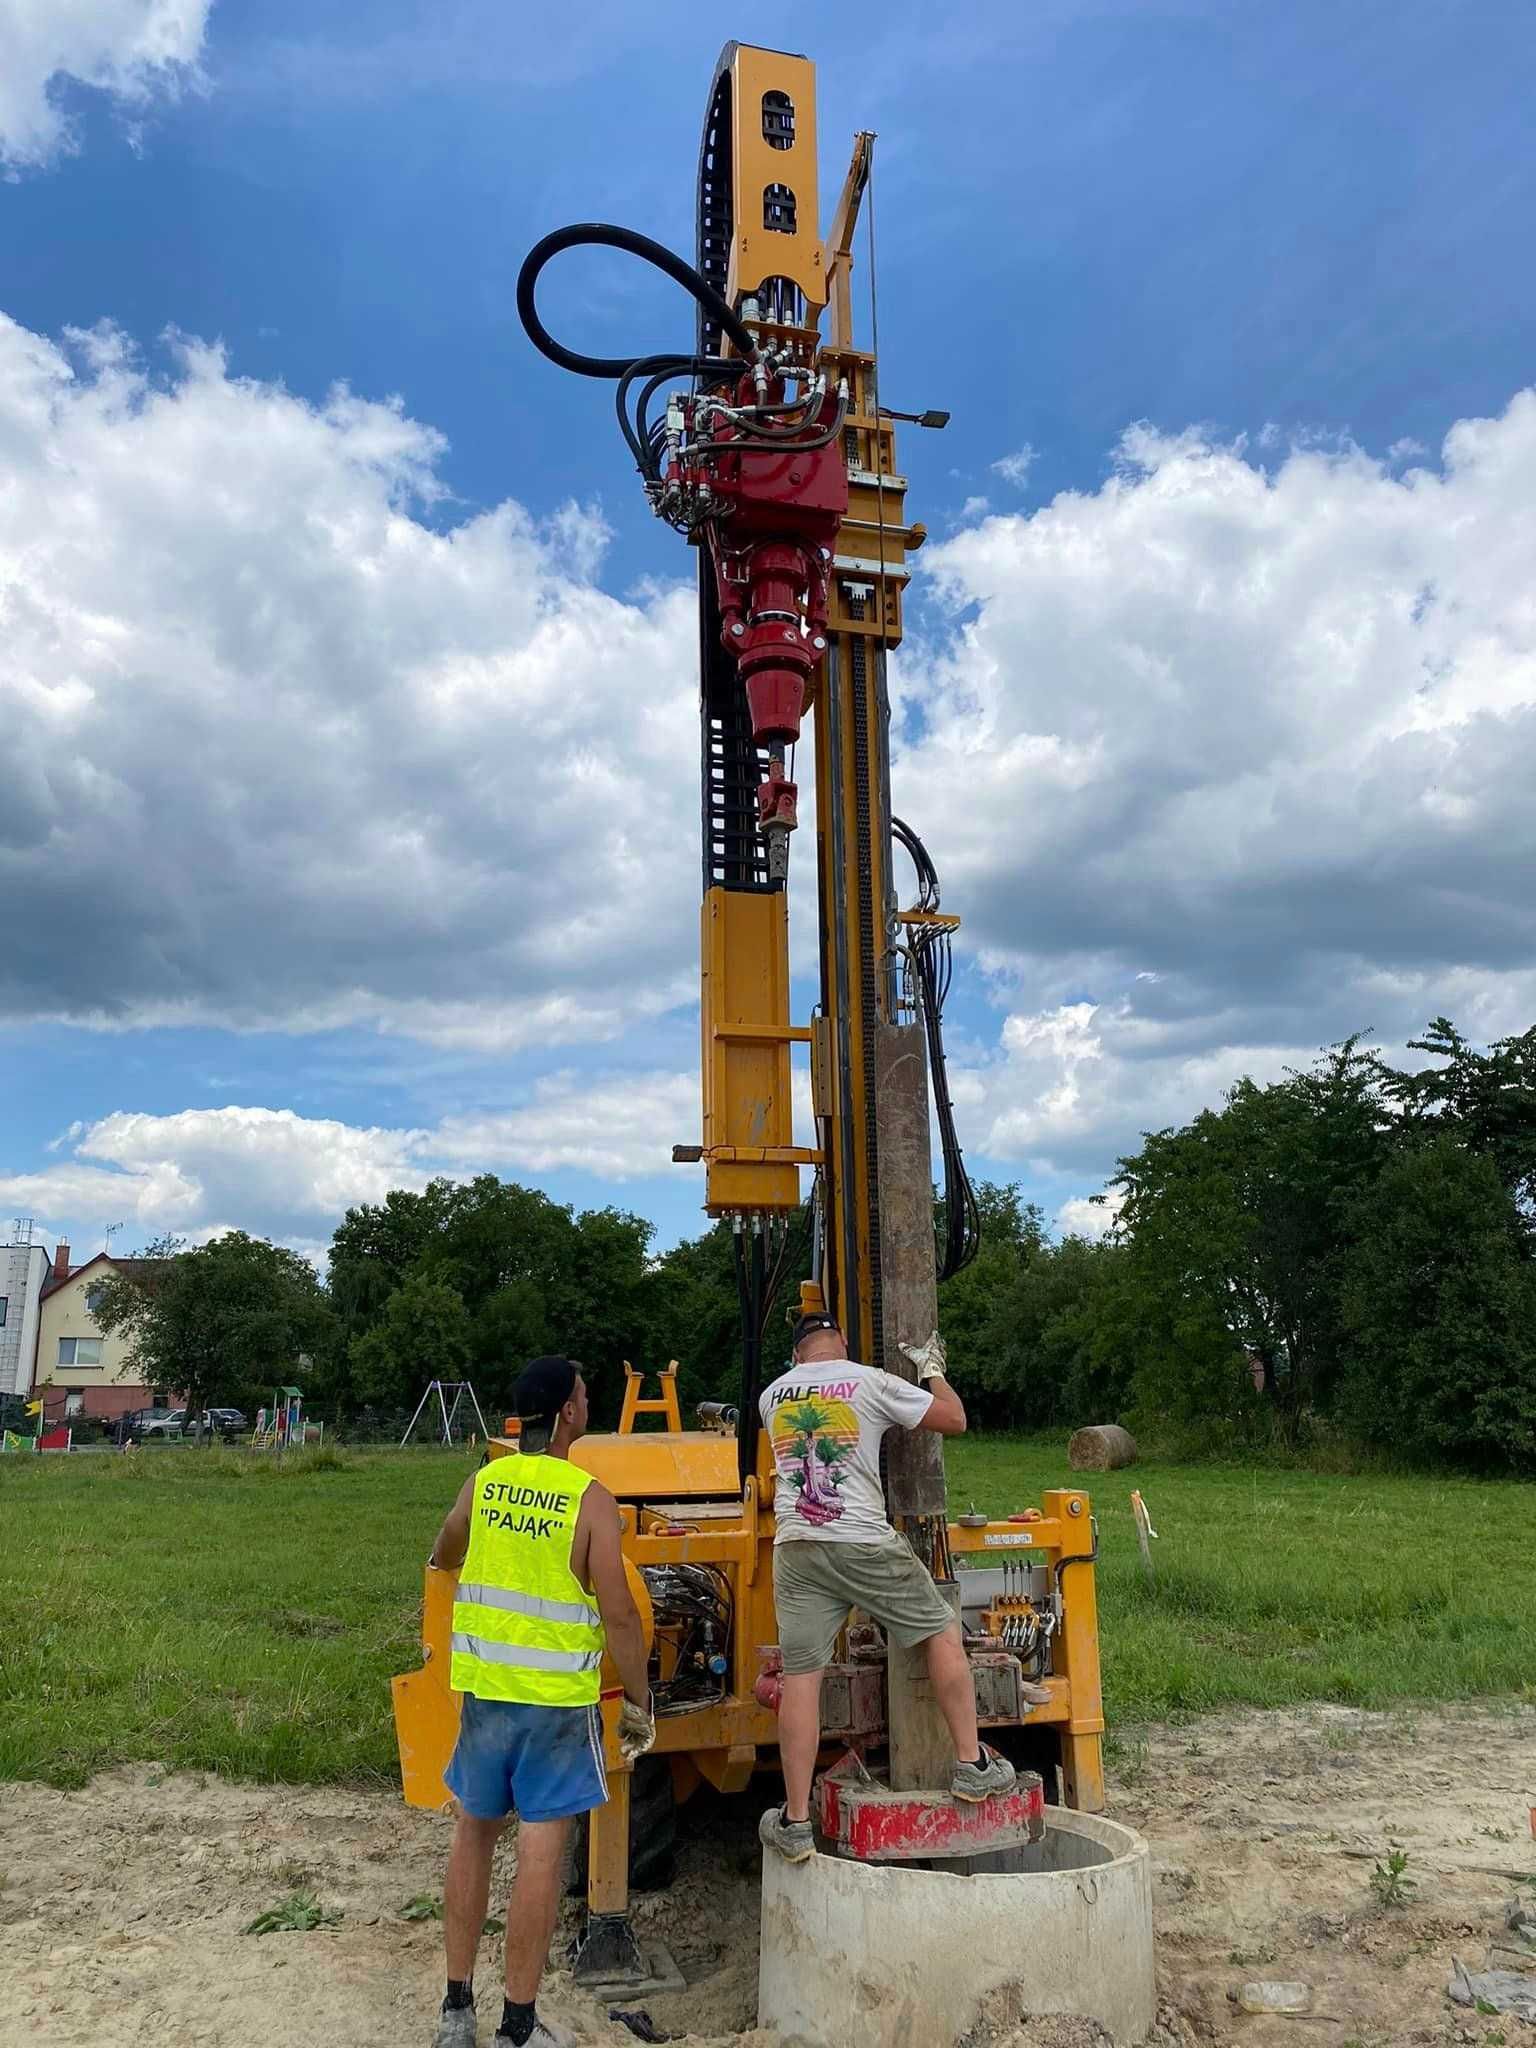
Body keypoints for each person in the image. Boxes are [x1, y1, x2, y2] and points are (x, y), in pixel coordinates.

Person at [427, 1357, 656, 2048]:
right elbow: (618, 1615)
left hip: (486, 1695)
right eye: (585, 1396)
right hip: (555, 1703)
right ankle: (518, 2027)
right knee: (540, 1852)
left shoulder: (485, 1481)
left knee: (472, 1832)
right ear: (565, 1414)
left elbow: (446, 1547)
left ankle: (456, 2012)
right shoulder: (589, 1498)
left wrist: (451, 1570)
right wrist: (641, 1700)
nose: (589, 1403)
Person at [757, 1312, 1016, 1862]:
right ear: (843, 1345)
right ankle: (972, 1766)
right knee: (940, 1630)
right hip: (862, 1540)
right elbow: (953, 1420)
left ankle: (796, 1821)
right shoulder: (868, 1380)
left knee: (802, 1679)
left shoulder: (772, 1395)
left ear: (797, 1354)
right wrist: (932, 1371)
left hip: (796, 1544)